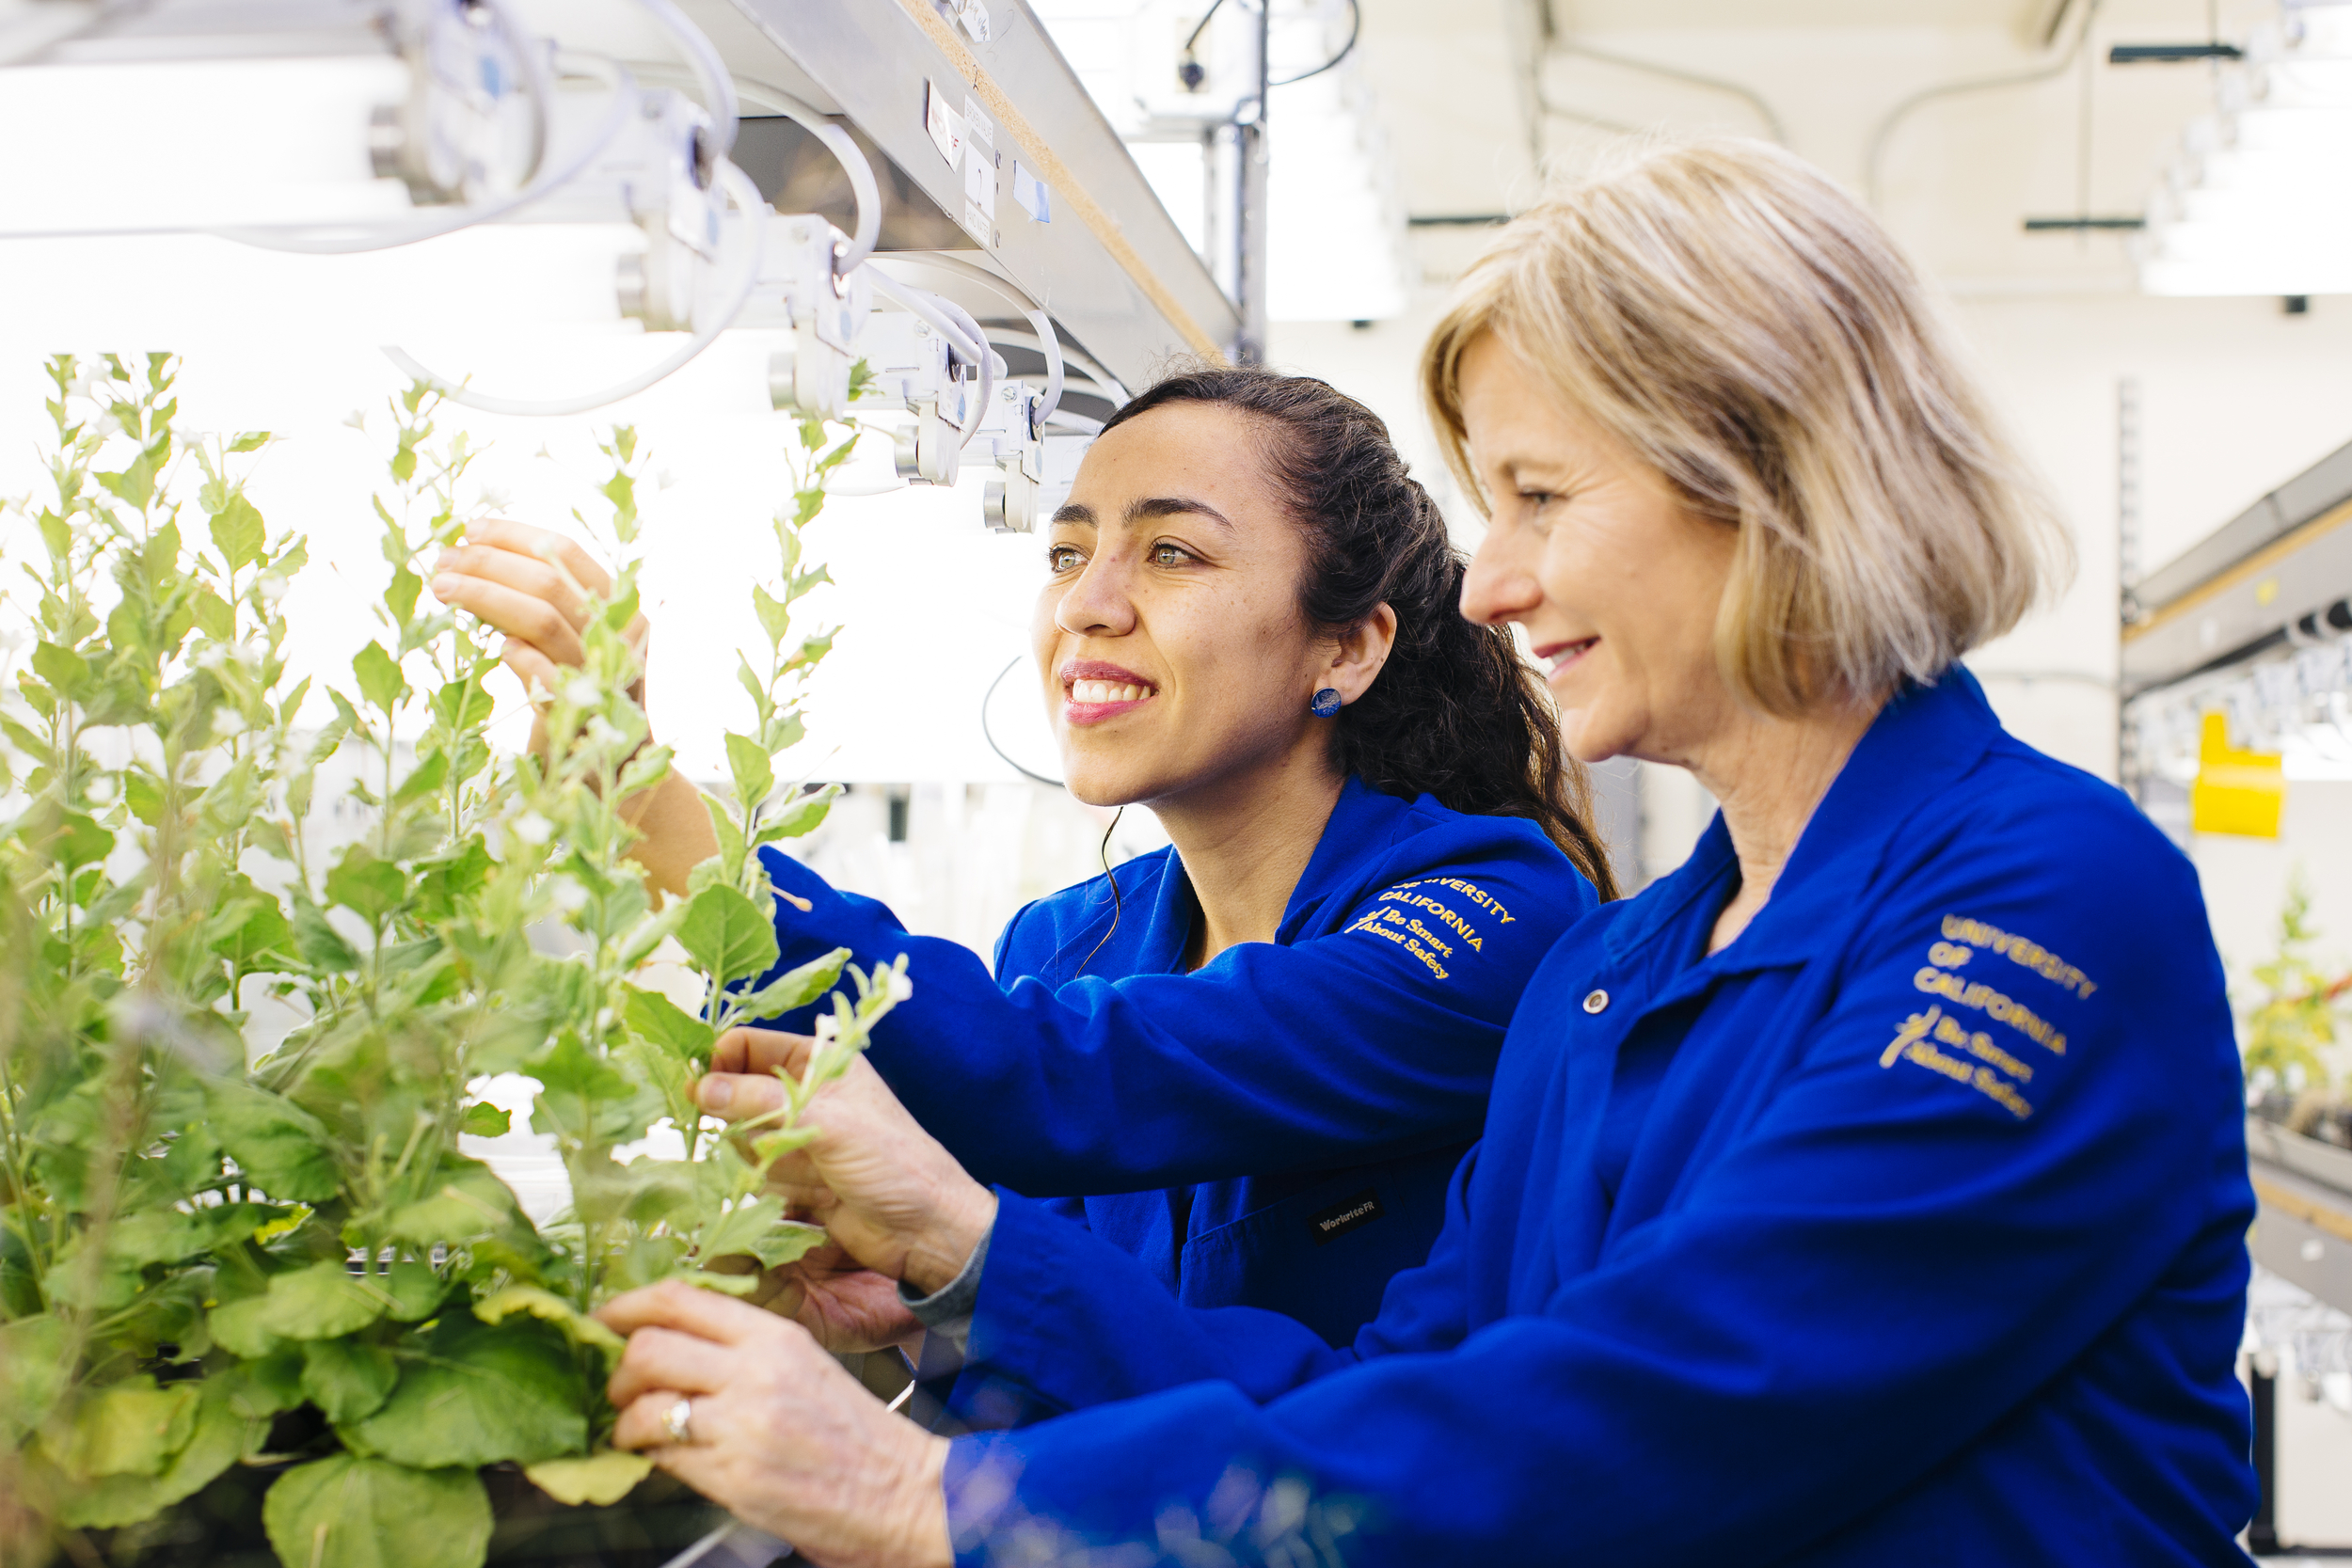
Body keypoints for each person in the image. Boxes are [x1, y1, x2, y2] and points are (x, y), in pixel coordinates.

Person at [590, 137, 2259, 1567]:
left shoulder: (2046, 894)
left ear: (1765, 481)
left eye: (1540, 497)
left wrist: (941, 1498)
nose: (1499, 583)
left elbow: (1669, 1408)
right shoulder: (1615, 977)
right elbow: (1380, 1396)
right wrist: (967, 1266)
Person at [429, 369, 1613, 1350]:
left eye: (1172, 555)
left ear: (1347, 646)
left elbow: (1058, 1082)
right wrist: (918, 1308)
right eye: (1065, 555)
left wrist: (651, 805)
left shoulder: (1495, 916)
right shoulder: (1063, 940)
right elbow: (1046, 1314)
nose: (1086, 604)